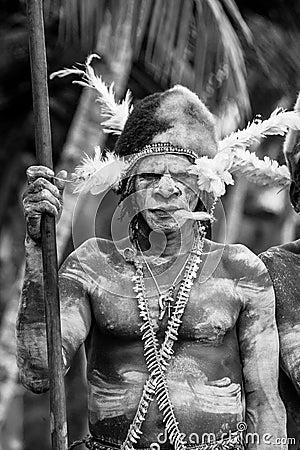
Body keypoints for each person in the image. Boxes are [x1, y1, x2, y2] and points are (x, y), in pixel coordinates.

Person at [17, 84, 288, 450]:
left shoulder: (241, 271)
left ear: (205, 186)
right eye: (149, 176)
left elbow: (265, 402)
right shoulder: (92, 267)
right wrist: (37, 250)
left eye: (182, 176)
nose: (166, 189)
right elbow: (39, 372)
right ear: (126, 184)